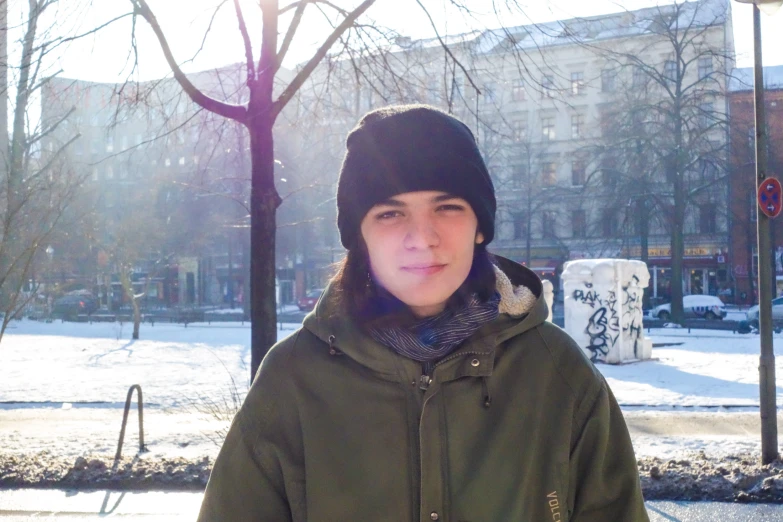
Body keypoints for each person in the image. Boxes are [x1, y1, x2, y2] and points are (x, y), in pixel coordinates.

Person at [197, 105, 649, 521]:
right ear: (360, 235)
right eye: (391, 214)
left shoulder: (556, 372)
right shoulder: (293, 378)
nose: (422, 236)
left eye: (447, 207)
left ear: (479, 227)